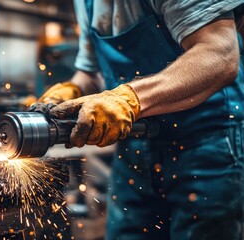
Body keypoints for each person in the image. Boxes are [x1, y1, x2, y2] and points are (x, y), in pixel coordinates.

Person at [37, 0, 244, 239]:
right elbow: (92, 71)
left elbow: (220, 54)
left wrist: (130, 99)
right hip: (135, 150)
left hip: (207, 146)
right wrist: (72, 88)